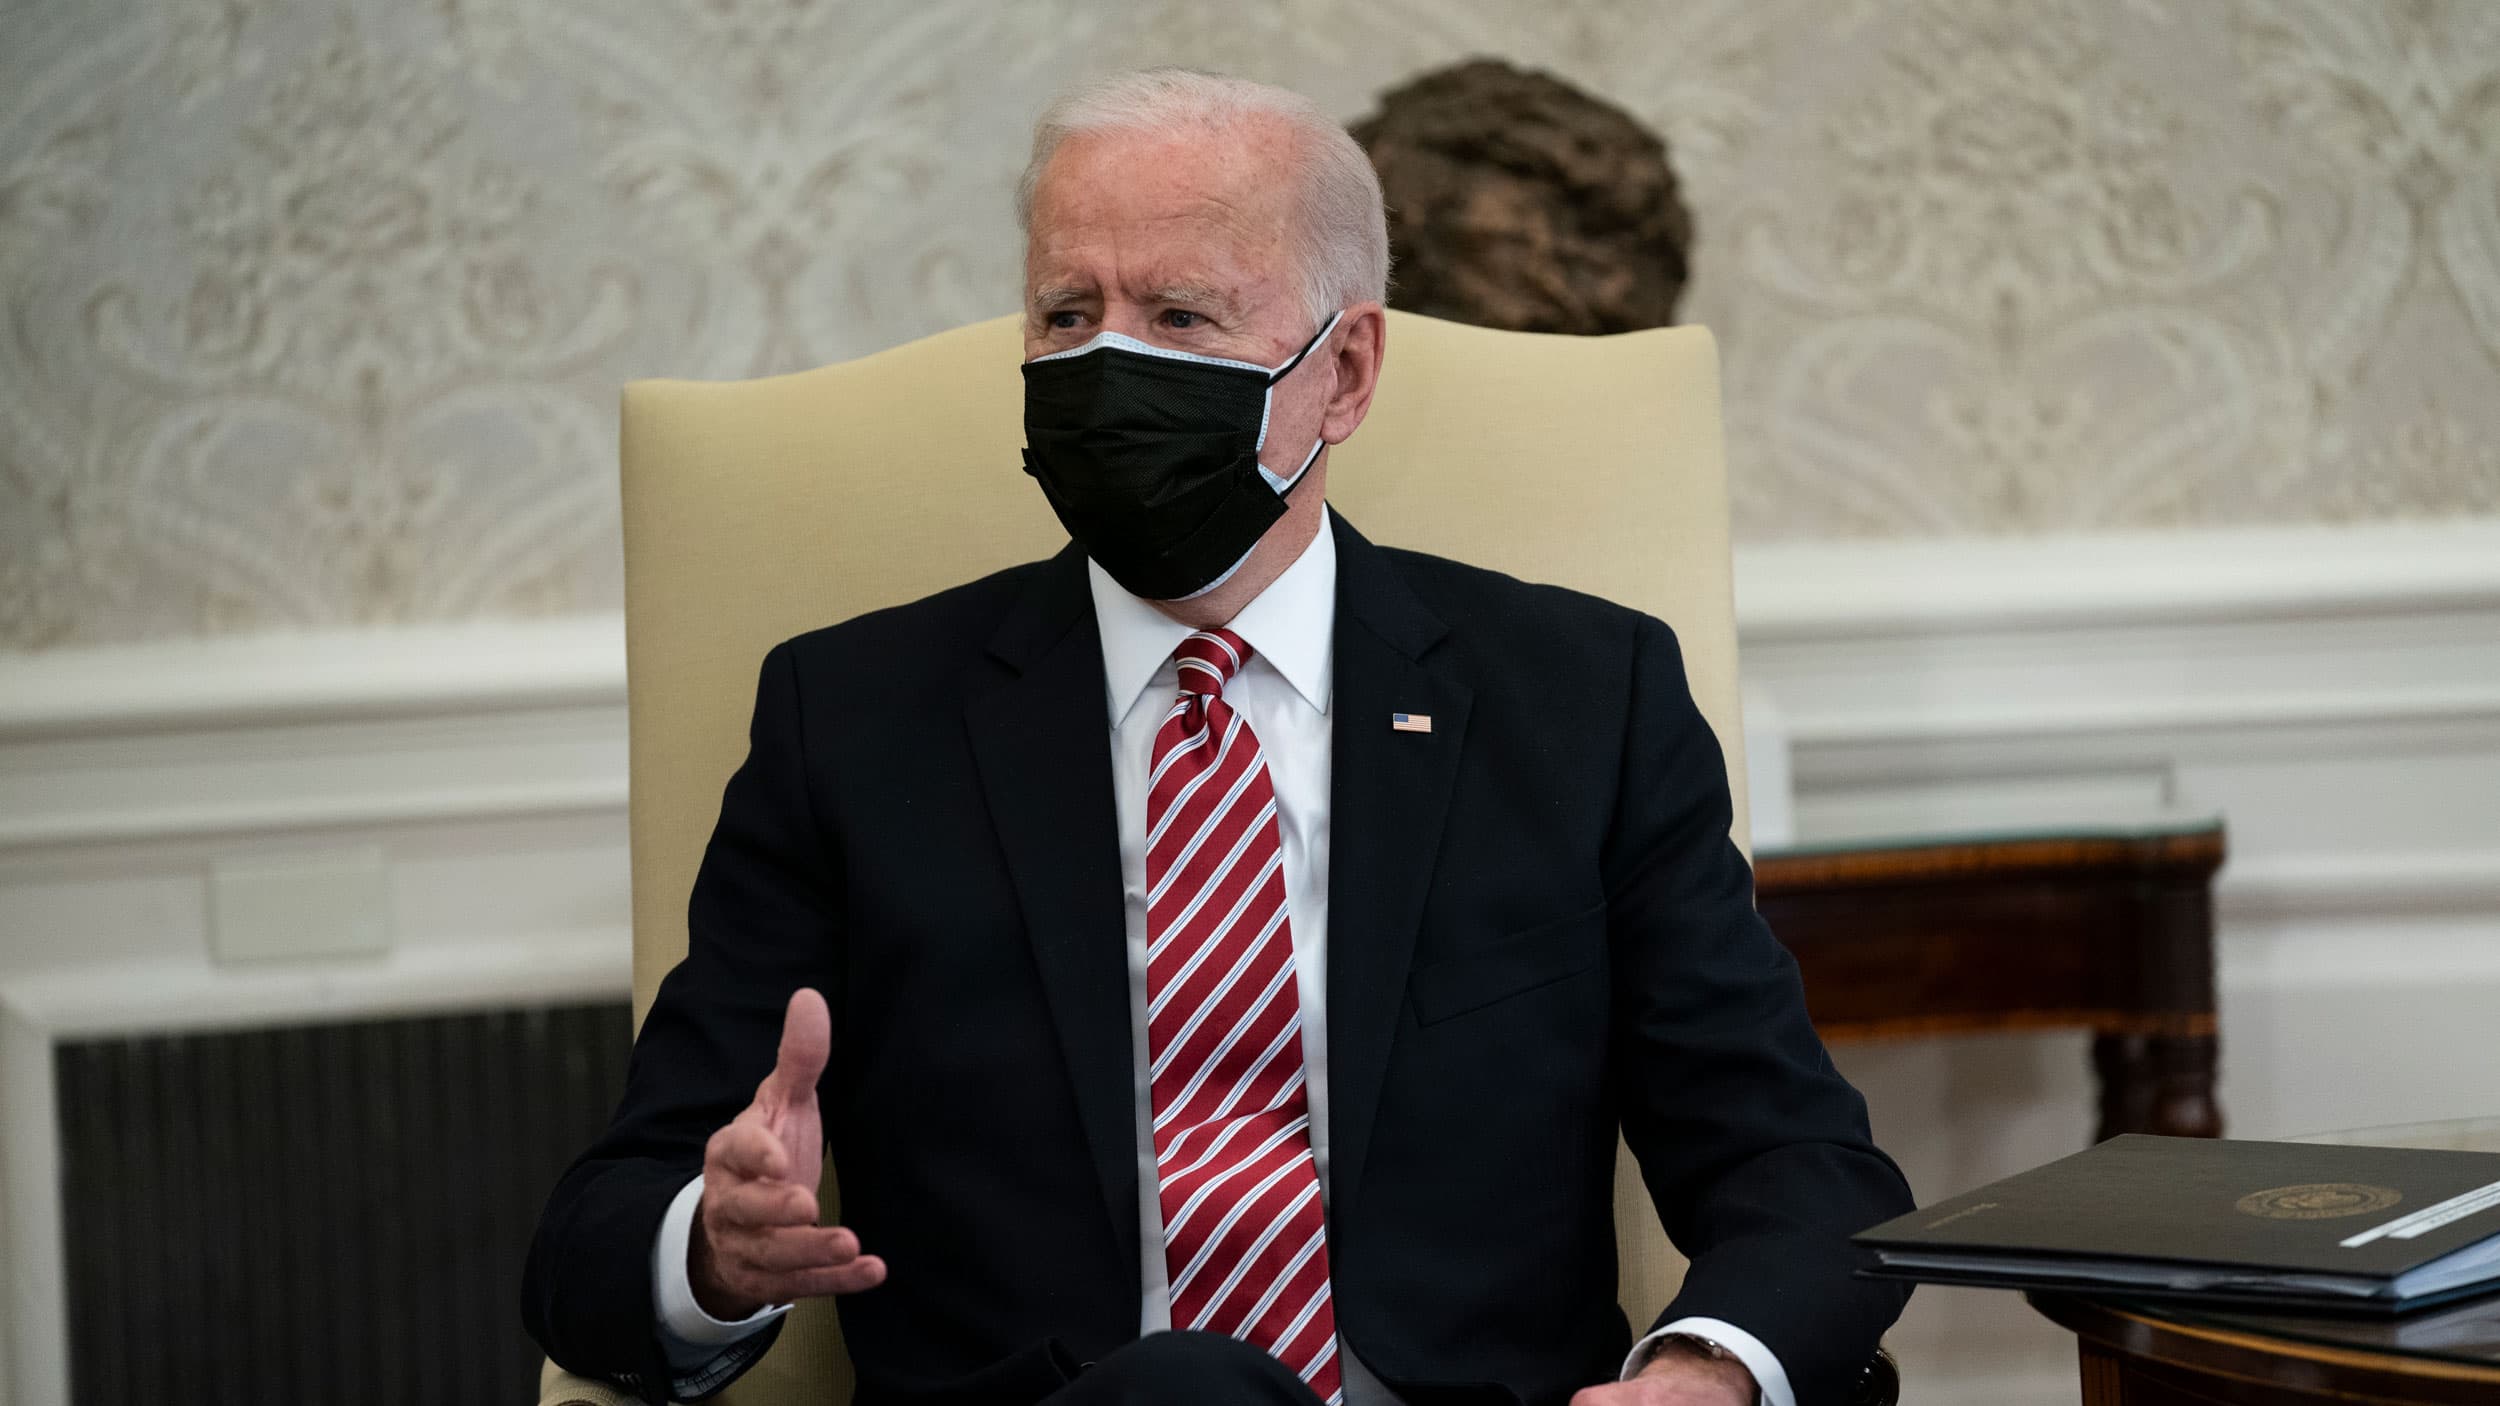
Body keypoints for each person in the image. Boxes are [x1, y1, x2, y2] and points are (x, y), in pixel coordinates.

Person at [523, 68, 1912, 1406]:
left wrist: (1707, 1370)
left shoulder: (1579, 701)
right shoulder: (857, 721)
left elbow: (1798, 1166)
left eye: (1179, 316)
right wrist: (711, 1245)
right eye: (1068, 316)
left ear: (1346, 370)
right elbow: (596, 1235)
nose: (1107, 366)